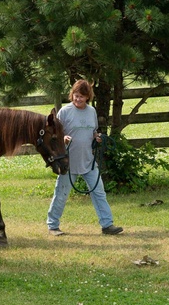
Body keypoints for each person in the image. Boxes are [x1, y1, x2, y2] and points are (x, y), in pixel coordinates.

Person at [47, 79, 123, 236]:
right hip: (68, 162)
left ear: (88, 97)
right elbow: (54, 136)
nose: (78, 99)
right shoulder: (65, 112)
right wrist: (64, 139)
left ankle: (107, 225)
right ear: (72, 94)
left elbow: (92, 131)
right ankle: (53, 225)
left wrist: (97, 137)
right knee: (61, 193)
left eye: (81, 96)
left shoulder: (91, 112)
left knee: (99, 192)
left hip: (88, 161)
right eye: (75, 95)